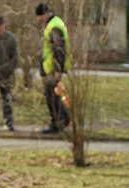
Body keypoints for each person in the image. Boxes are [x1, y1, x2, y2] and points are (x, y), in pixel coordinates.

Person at [35, 3, 72, 134]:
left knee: (51, 97)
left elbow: (59, 49)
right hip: (50, 68)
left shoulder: (54, 27)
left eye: (39, 17)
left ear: (44, 15)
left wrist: (58, 70)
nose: (38, 20)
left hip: (52, 69)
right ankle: (65, 118)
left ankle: (56, 123)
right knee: (55, 95)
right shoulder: (54, 24)